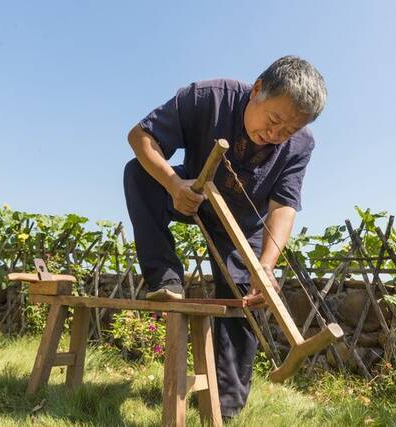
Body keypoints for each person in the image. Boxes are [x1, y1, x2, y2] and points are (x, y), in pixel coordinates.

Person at [123, 55, 327, 419]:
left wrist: (265, 266)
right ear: (258, 89)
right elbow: (140, 136)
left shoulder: (301, 145)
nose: (275, 135)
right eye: (274, 120)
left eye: (287, 131)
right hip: (194, 192)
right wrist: (172, 184)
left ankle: (225, 408)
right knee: (138, 174)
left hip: (243, 223)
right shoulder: (208, 97)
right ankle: (165, 278)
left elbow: (284, 204)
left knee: (244, 297)